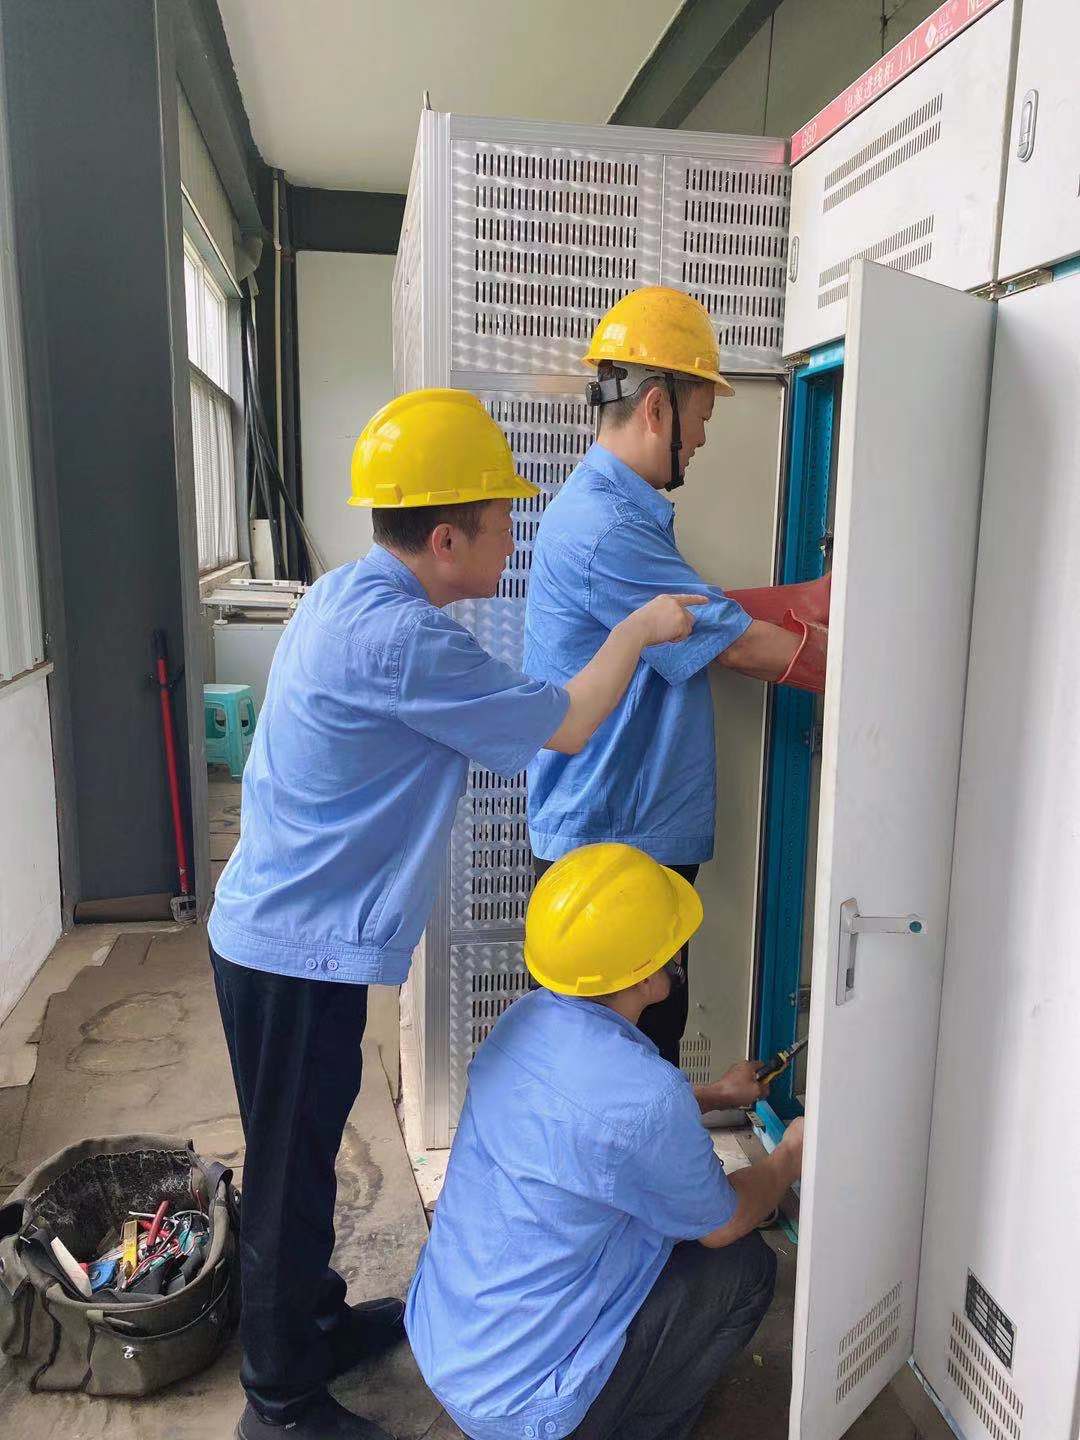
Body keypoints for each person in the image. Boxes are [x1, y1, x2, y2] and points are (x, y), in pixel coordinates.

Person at [208, 389, 708, 1440]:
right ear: (445, 540)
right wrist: (640, 625)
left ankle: (312, 1324)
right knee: (288, 1172)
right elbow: (568, 722)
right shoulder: (406, 645)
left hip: (282, 935)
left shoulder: (347, 596)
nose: (516, 538)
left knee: (299, 1148)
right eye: (501, 520)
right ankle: (279, 1403)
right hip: (293, 951)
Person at [524, 285, 830, 1066]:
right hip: (614, 839)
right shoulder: (607, 528)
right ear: (658, 408)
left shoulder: (616, 514)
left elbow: (694, 608)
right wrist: (880, 675)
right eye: (701, 417)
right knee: (627, 1063)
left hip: (620, 829)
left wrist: (808, 602)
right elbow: (735, 644)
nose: (702, 440)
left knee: (632, 1052)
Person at [406, 842, 805, 1440]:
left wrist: (717, 1094)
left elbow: (594, 1118)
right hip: (527, 1407)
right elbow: (721, 1224)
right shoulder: (646, 1097)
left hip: (451, 1348)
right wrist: (790, 1155)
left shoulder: (523, 1020)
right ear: (645, 973)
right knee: (744, 1266)